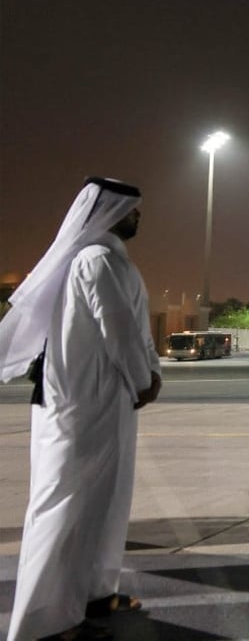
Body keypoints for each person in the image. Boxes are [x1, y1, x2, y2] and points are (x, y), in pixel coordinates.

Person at [0, 177, 163, 641]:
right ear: (111, 213)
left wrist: (148, 375)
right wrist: (143, 379)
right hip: (81, 409)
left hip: (107, 405)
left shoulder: (112, 260)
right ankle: (41, 623)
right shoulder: (96, 261)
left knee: (103, 505)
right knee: (63, 510)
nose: (138, 217)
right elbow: (119, 331)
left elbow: (135, 329)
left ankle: (93, 595)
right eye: (132, 210)